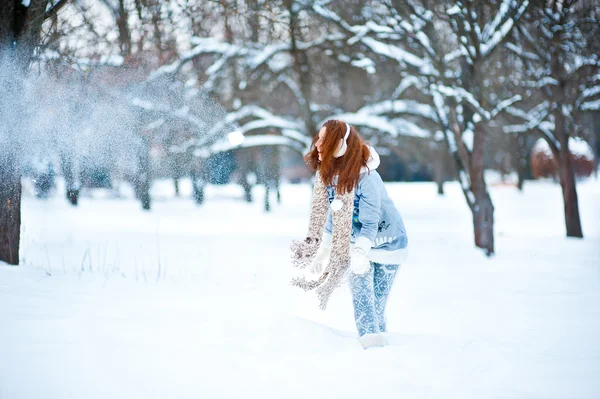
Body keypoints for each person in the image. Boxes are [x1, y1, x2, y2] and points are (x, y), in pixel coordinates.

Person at [293, 119, 408, 349]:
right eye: (320, 137)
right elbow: (333, 214)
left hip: (388, 244)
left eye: (325, 139)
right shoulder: (332, 175)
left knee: (376, 304)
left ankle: (382, 351)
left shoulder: (367, 177)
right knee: (363, 300)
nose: (318, 143)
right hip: (357, 243)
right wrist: (323, 252)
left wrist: (359, 252)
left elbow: (370, 221)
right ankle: (372, 347)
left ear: (342, 143)